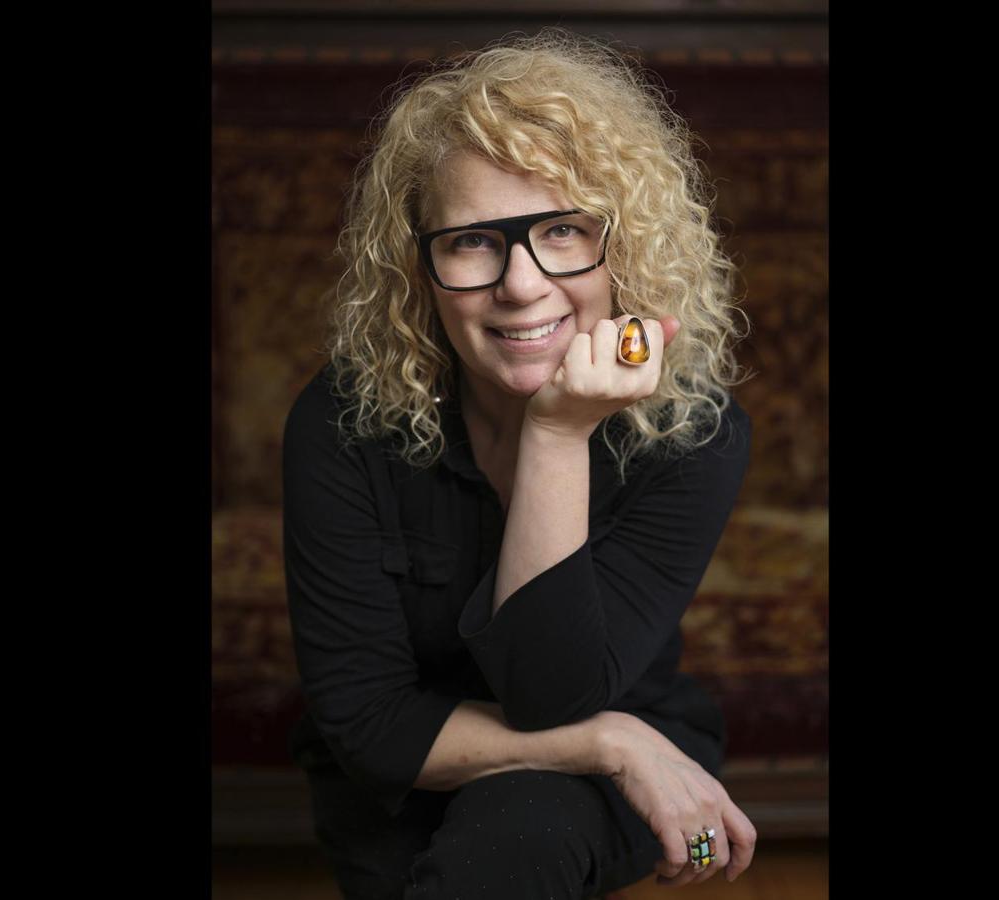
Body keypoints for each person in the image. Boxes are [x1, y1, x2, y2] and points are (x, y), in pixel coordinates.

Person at [283, 29, 756, 900]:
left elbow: (552, 693)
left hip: (585, 789)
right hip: (411, 778)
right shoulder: (340, 421)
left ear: (628, 247)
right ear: (416, 269)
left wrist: (556, 434)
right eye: (472, 242)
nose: (523, 284)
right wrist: (617, 744)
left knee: (519, 833)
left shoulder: (698, 431)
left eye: (564, 230)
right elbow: (366, 723)